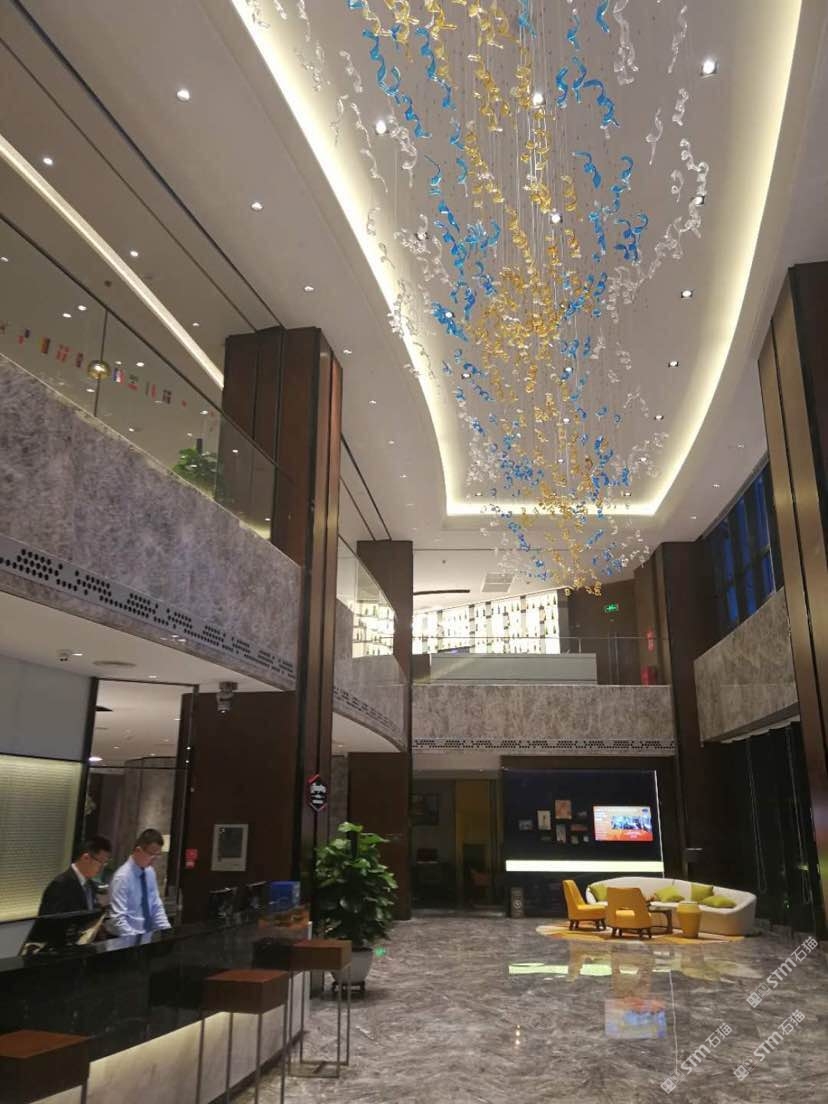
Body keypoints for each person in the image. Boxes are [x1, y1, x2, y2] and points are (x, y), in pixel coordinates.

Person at [106, 828, 171, 937]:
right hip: (126, 940)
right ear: (138, 850)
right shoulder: (122, 877)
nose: (154, 859)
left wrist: (167, 932)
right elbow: (117, 920)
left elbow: (156, 907)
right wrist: (136, 941)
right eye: (152, 854)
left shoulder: (150, 872)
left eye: (158, 855)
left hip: (147, 938)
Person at [38, 836, 112, 915]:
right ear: (86, 858)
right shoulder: (60, 885)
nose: (102, 868)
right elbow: (49, 921)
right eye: (100, 862)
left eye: (105, 863)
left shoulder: (91, 886)